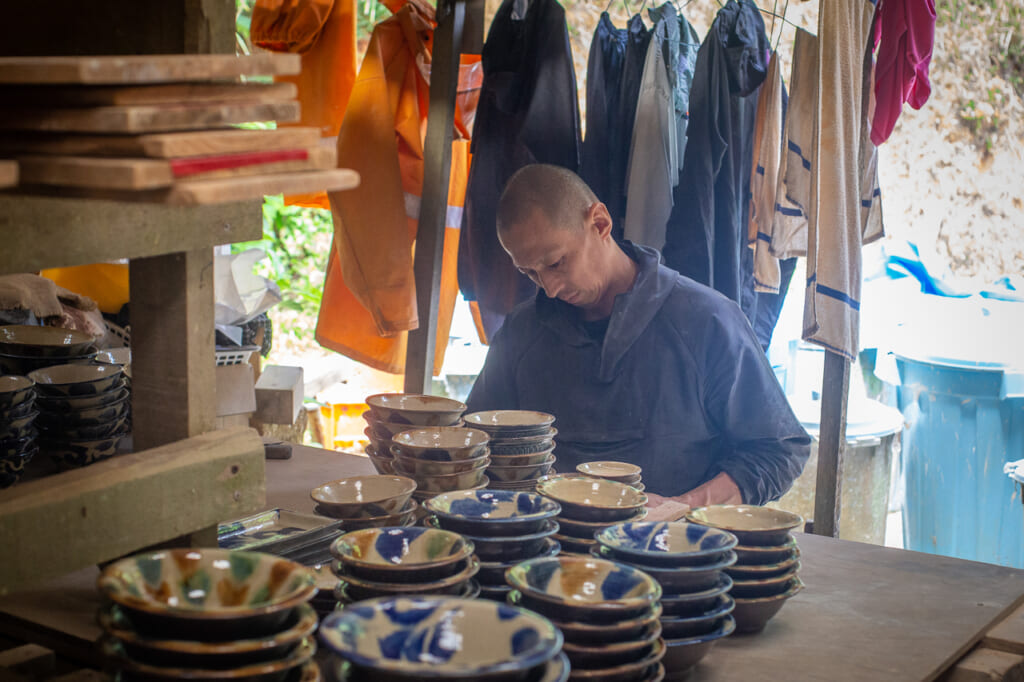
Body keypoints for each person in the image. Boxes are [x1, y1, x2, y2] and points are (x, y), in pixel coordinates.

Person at [466, 164, 809, 516]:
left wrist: (682, 507)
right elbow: (472, 446)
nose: (549, 288)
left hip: (675, 554)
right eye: (529, 272)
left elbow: (778, 449)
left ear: (599, 223)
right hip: (549, 560)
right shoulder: (521, 333)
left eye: (556, 263)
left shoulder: (707, 321)